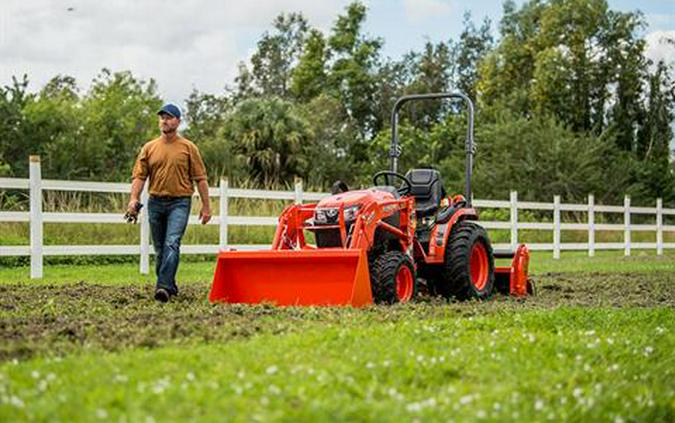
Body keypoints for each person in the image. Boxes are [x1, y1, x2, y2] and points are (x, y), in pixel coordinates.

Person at [126, 103, 211, 303]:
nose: (165, 120)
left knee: (172, 242)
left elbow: (200, 178)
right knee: (160, 249)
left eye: (169, 117)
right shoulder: (149, 147)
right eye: (162, 117)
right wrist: (134, 199)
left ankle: (162, 287)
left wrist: (206, 206)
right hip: (155, 202)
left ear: (178, 122)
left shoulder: (189, 148)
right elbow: (139, 177)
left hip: (179, 203)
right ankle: (169, 285)